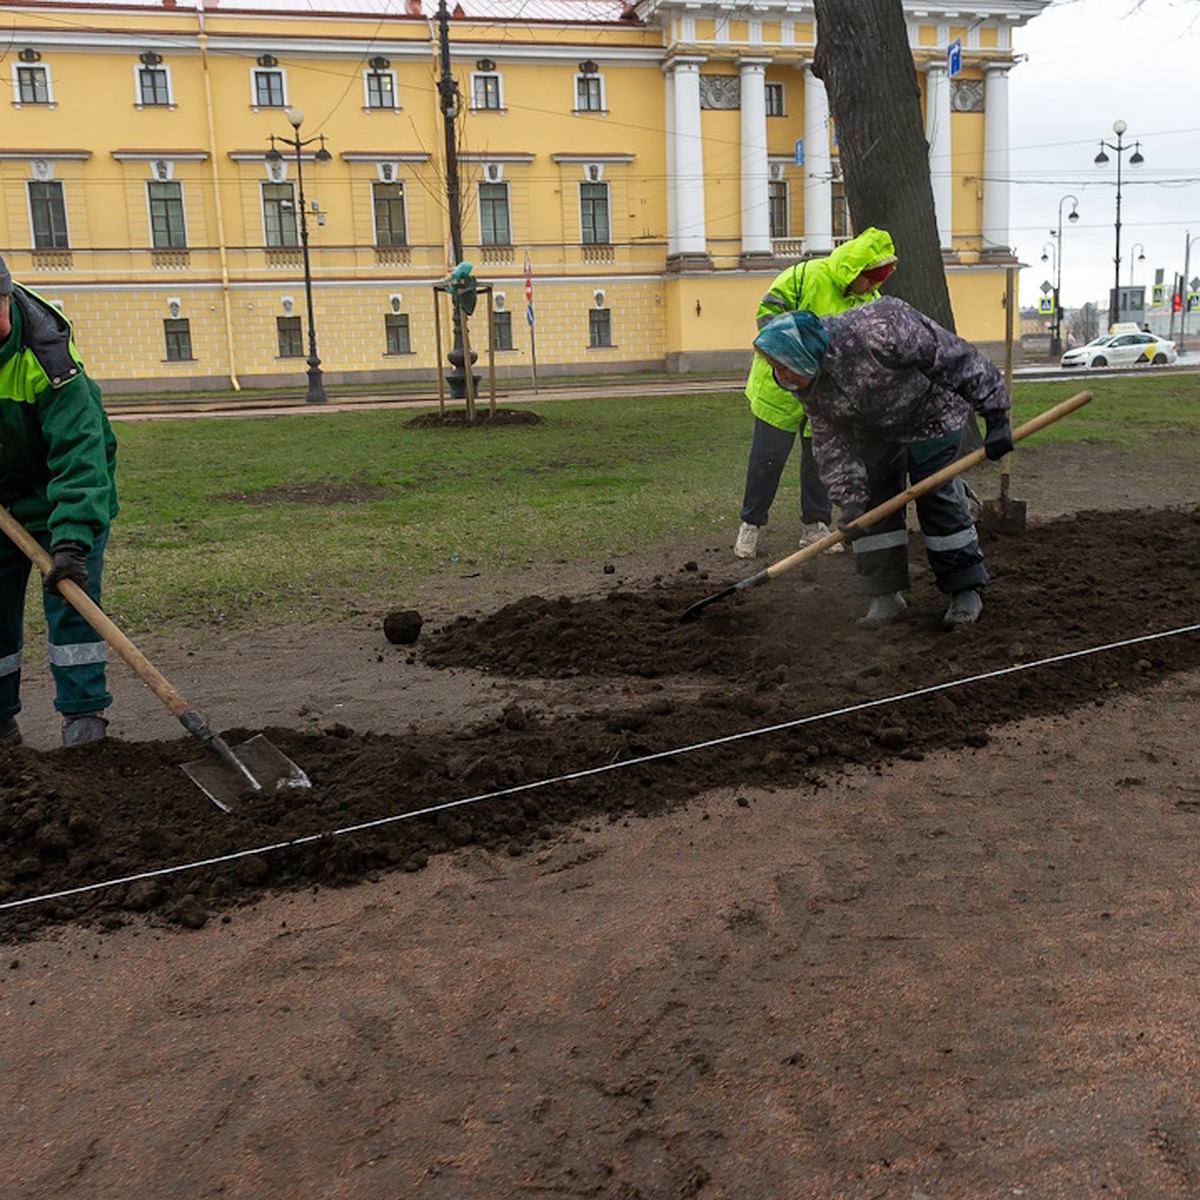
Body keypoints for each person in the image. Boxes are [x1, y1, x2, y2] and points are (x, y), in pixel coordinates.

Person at [751, 297, 1012, 630]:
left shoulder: (880, 327)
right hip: (877, 430)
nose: (780, 375)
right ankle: (885, 597)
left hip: (933, 417)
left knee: (937, 499)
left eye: (784, 366)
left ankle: (965, 591)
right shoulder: (806, 380)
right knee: (874, 504)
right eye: (775, 367)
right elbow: (831, 438)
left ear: (803, 354)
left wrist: (995, 413)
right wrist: (849, 499)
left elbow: (955, 357)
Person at [0, 254, 119, 746]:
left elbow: (79, 453)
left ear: (6, 296)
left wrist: (71, 539)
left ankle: (84, 719)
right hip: (5, 502)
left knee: (72, 607)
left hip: (64, 496)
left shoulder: (47, 355)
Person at [735, 226, 898, 560]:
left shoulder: (869, 300)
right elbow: (767, 316)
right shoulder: (805, 276)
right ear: (855, 270)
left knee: (820, 460)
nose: (872, 287)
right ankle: (750, 524)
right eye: (869, 279)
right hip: (780, 389)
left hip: (826, 397)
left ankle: (815, 526)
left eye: (877, 281)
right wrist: (793, 355)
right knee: (767, 460)